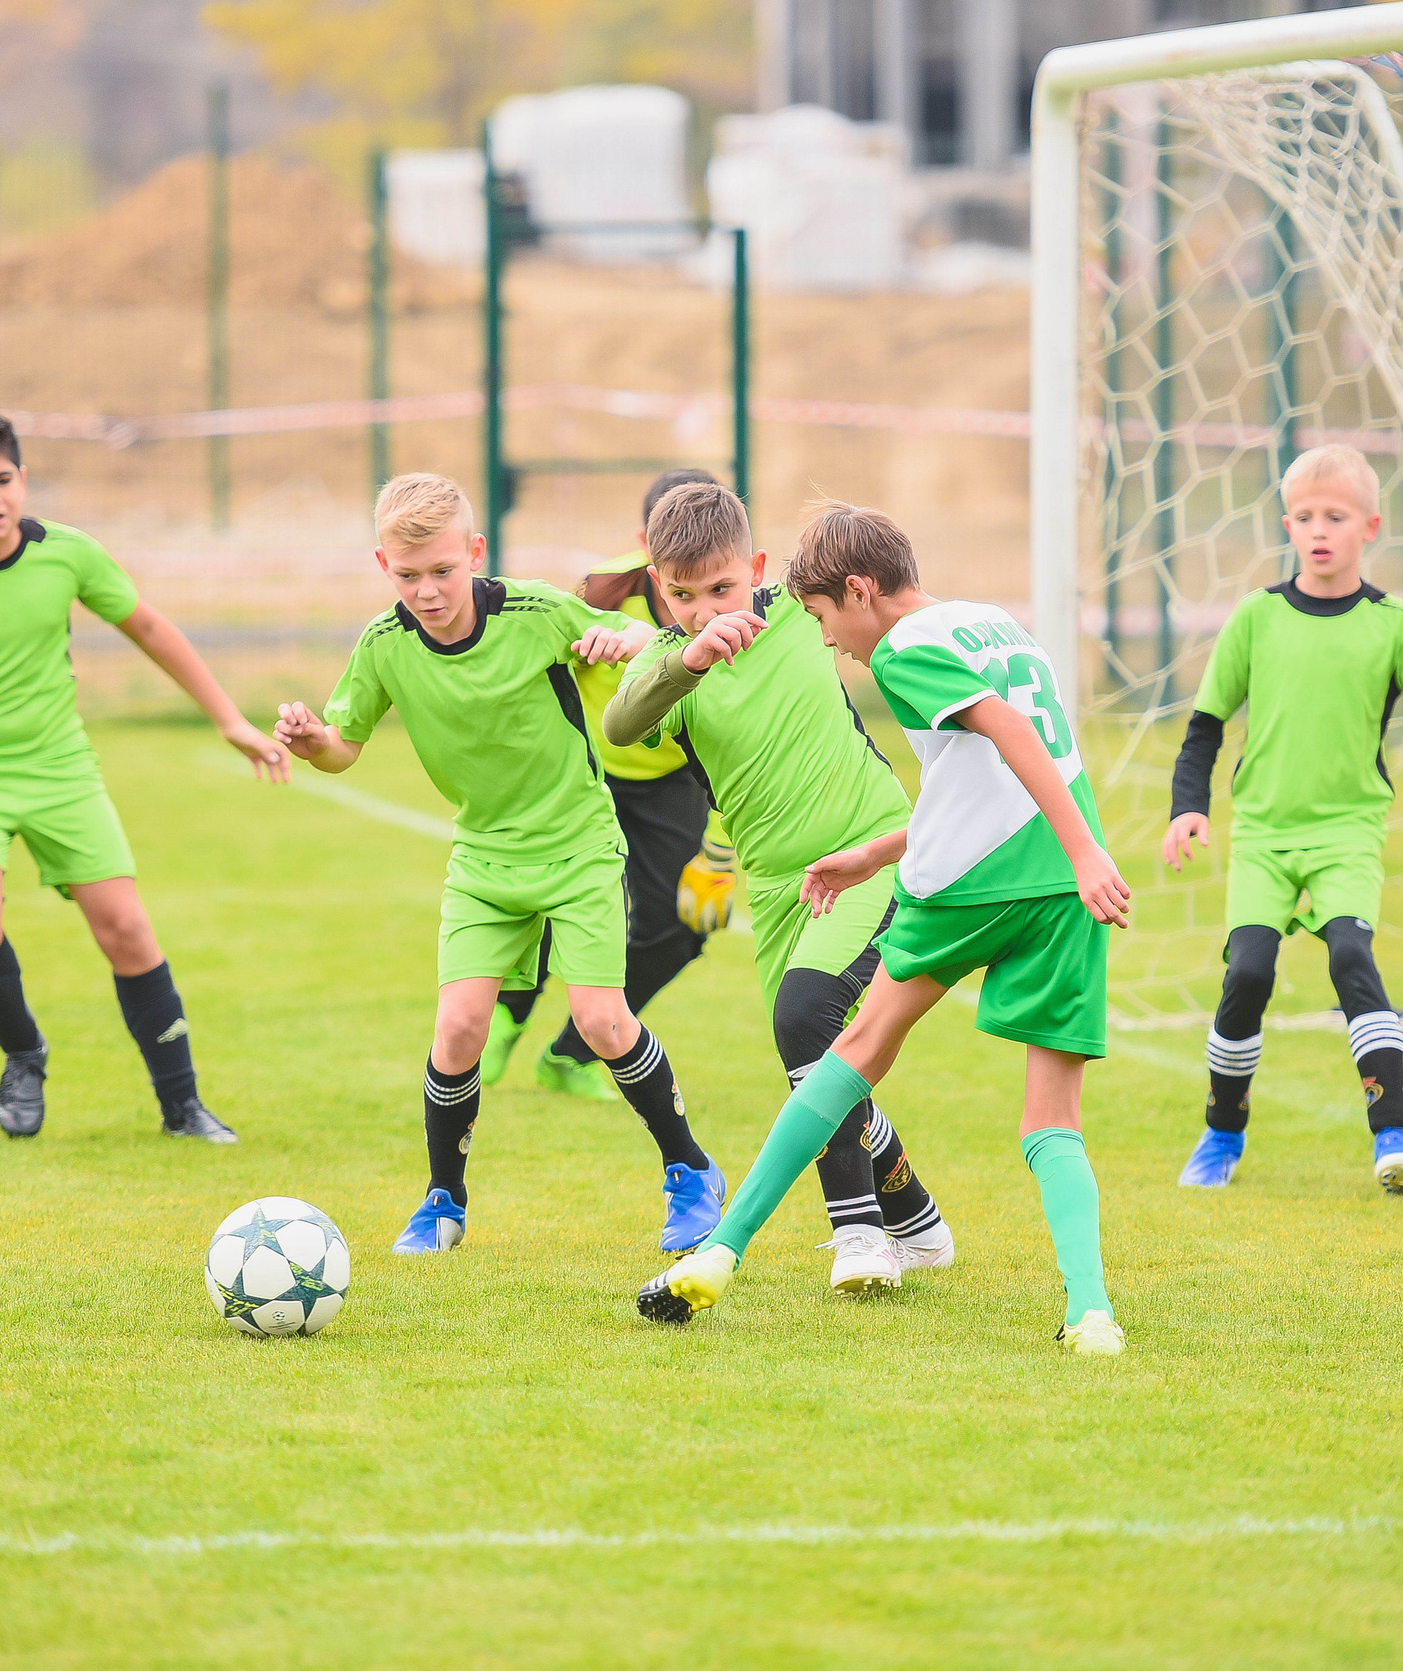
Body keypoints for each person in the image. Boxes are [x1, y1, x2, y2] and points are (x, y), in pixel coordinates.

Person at [635, 500, 1132, 1358]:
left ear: (859, 591)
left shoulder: (904, 647)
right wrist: (875, 852)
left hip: (977, 885)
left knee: (852, 1049)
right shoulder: (995, 625)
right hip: (1059, 890)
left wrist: (1089, 851)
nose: (832, 643)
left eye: (828, 620)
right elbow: (988, 768)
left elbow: (1009, 736)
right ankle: (1091, 1312)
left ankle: (720, 1253)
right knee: (1052, 1119)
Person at [273, 472, 725, 1256]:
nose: (428, 590)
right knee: (458, 1029)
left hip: (579, 843)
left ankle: (690, 1168)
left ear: (474, 554)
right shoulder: (383, 645)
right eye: (408, 575)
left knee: (601, 1020)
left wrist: (617, 640)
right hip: (483, 855)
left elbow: (644, 642)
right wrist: (316, 743)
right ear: (384, 565)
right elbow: (345, 745)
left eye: (443, 571)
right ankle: (442, 1199)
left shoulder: (536, 611)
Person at [0, 408, 279, 1143]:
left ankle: (182, 1105)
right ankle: (25, 1053)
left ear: (22, 479)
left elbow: (148, 626)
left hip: (60, 768)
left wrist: (228, 719)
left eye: (1, 479)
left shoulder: (67, 554)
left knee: (125, 927)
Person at [603, 480, 955, 1295]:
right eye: (683, 595)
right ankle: (916, 1215)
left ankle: (859, 1230)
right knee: (820, 1063)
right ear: (660, 587)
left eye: (722, 589)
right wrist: (684, 657)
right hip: (777, 891)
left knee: (807, 1018)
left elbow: (884, 602)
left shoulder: (801, 614)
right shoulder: (672, 667)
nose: (706, 610)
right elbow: (620, 724)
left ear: (755, 570)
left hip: (868, 859)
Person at [1160, 444, 1403, 1195]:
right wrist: (1188, 809)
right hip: (1262, 835)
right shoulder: (1255, 617)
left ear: (1371, 527)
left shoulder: (1394, 625)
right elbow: (1204, 726)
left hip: (1348, 832)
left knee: (1352, 958)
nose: (1319, 530)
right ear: (1288, 524)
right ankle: (1222, 1134)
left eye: (1337, 516)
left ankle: (1394, 1135)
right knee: (1248, 973)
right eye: (1305, 516)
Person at [483, 468, 736, 1100]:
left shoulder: (745, 609)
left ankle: (573, 1053)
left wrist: (723, 853)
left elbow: (747, 734)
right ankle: (507, 1017)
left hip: (674, 780)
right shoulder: (601, 590)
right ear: (647, 551)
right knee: (546, 897)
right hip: (587, 777)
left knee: (682, 929)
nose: (699, 594)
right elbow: (538, 661)